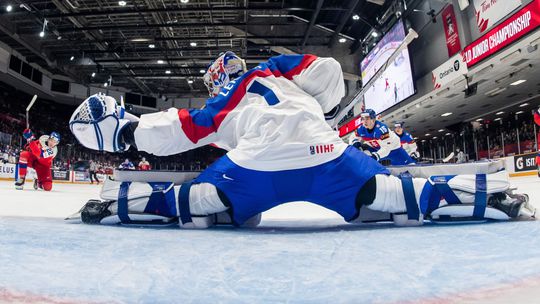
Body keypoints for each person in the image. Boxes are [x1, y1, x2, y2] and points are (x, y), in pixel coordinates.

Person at [68, 52, 533, 228]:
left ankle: (122, 204)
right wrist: (318, 105)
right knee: (390, 194)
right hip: (325, 156)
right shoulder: (272, 69)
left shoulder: (219, 107)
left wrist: (128, 130)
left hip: (254, 169)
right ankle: (486, 198)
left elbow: (179, 129)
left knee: (201, 199)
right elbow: (329, 73)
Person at [352, 109, 416, 166]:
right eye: (363, 118)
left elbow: (386, 148)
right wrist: (355, 142)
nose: (364, 121)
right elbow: (353, 136)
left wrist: (375, 156)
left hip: (394, 150)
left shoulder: (382, 129)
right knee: (362, 149)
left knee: (410, 167)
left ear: (373, 119)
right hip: (377, 149)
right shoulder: (361, 129)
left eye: (367, 118)